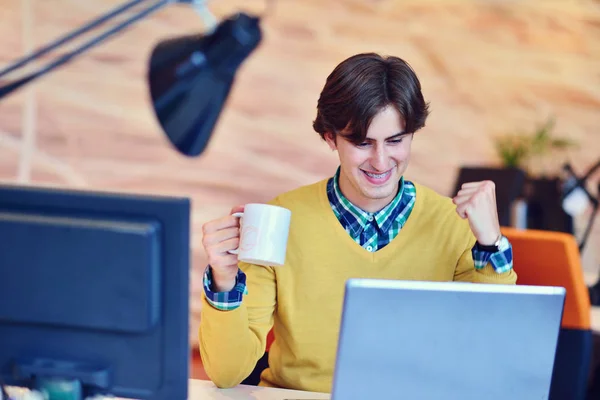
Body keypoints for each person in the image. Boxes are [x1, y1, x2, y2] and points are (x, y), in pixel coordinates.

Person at [198, 53, 517, 393]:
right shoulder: (280, 222)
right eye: (362, 143)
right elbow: (227, 373)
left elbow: (491, 355)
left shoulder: (454, 224)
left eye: (395, 140)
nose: (381, 162)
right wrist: (224, 281)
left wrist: (490, 244)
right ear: (330, 138)